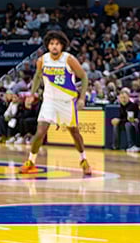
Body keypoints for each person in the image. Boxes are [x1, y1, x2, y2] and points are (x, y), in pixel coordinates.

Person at [20, 30, 92, 175]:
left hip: (67, 102)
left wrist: (82, 98)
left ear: (62, 46)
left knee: (74, 132)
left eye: (57, 44)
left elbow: (84, 77)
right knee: (40, 132)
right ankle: (31, 162)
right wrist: (31, 94)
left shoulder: (69, 59)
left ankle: (83, 159)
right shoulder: (42, 60)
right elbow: (37, 76)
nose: (54, 46)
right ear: (48, 45)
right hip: (49, 101)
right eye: (52, 43)